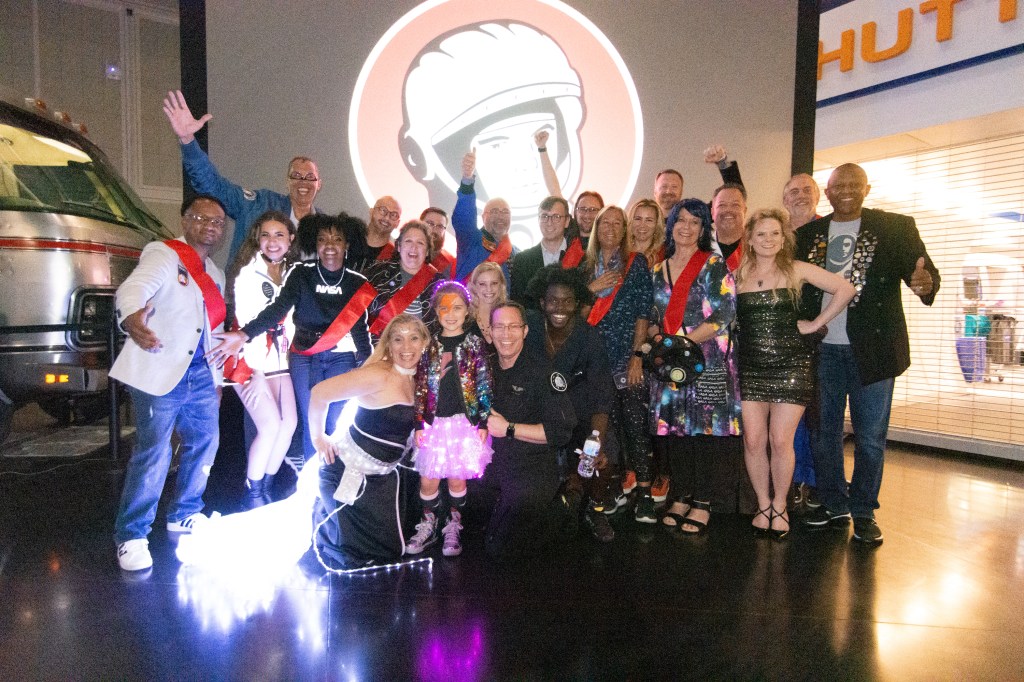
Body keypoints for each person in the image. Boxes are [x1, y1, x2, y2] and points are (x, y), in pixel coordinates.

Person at [797, 163, 940, 545]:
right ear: (826, 193)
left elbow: (924, 274)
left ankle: (862, 510)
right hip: (822, 350)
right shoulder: (808, 233)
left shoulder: (895, 228)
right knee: (823, 432)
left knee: (871, 437)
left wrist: (925, 284)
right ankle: (832, 502)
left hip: (873, 351)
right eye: (836, 185)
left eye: (852, 184)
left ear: (867, 188)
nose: (844, 190)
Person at [111, 195, 228, 571]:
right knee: (154, 453)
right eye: (201, 218)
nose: (210, 226)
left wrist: (218, 379)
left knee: (205, 442)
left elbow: (215, 330)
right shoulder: (163, 254)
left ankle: (185, 512)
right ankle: (131, 535)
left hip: (200, 375)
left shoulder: (216, 273)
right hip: (160, 369)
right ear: (184, 220)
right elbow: (133, 290)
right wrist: (132, 319)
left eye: (218, 222)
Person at [209, 213, 373, 463]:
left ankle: (332, 482)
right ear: (315, 244)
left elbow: (360, 330)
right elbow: (277, 309)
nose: (330, 246)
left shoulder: (357, 283)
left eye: (337, 239)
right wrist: (244, 334)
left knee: (336, 424)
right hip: (304, 359)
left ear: (347, 245)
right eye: (322, 239)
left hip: (341, 359)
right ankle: (312, 490)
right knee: (312, 423)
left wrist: (369, 364)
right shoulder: (300, 273)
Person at [735, 208, 855, 538]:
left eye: (775, 233)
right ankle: (764, 505)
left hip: (792, 366)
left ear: (784, 237)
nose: (768, 240)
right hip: (751, 367)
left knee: (780, 439)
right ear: (750, 239)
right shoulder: (738, 273)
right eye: (761, 234)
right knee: (754, 440)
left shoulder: (796, 269)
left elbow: (845, 289)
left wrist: (817, 323)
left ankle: (781, 505)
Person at [308, 314, 430, 570]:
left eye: (413, 339)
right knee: (368, 553)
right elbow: (319, 393)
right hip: (348, 473)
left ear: (424, 343)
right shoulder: (378, 374)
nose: (406, 348)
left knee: (395, 547)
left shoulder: (419, 376)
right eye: (398, 339)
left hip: (385, 477)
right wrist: (318, 437)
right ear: (388, 344)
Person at [649, 198, 740, 535]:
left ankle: (703, 501)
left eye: (694, 222)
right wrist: (662, 339)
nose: (686, 227)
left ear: (704, 229)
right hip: (671, 363)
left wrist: (682, 343)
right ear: (670, 226)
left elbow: (724, 312)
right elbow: (654, 316)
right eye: (680, 220)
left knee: (705, 432)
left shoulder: (713, 264)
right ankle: (682, 494)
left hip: (708, 359)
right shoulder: (658, 269)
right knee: (677, 432)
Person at [162, 90, 320, 259]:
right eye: (296, 176)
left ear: (319, 184)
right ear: (287, 182)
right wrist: (188, 141)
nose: (303, 182)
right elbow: (215, 188)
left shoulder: (324, 228)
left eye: (310, 177)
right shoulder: (259, 205)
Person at [524, 266, 617, 542]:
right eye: (553, 300)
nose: (559, 307)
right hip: (539, 417)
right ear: (542, 302)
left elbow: (602, 392)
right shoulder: (529, 329)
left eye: (567, 301)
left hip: (581, 416)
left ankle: (595, 508)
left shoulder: (589, 338)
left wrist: (596, 437)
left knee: (603, 457)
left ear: (577, 303)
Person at [482, 303, 576, 560]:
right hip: (492, 462)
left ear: (524, 331)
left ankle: (557, 509)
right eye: (499, 327)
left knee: (502, 551)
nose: (505, 334)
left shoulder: (543, 372)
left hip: (531, 466)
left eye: (513, 327)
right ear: (489, 332)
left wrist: (509, 429)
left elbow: (560, 432)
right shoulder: (483, 368)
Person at [405, 282, 493, 557]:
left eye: (457, 308)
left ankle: (453, 524)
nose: (450, 314)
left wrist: (483, 421)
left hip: (463, 425)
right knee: (428, 479)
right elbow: (420, 385)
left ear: (467, 310)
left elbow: (483, 383)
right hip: (433, 424)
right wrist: (420, 421)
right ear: (436, 311)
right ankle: (428, 522)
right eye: (444, 308)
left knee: (457, 480)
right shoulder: (428, 343)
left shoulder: (474, 343)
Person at [582, 206, 656, 522]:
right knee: (602, 430)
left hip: (626, 358)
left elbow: (643, 312)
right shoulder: (584, 266)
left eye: (617, 222)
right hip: (593, 360)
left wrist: (637, 357)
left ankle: (645, 493)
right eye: (605, 222)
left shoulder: (634, 262)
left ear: (624, 229)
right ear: (596, 228)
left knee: (635, 426)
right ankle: (607, 487)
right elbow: (573, 311)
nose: (611, 227)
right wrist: (591, 289)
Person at [225, 210, 299, 509]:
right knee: (268, 427)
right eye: (266, 235)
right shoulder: (247, 275)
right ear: (258, 238)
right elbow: (247, 324)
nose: (272, 241)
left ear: (290, 239)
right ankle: (252, 492)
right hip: (249, 364)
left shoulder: (294, 273)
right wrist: (254, 371)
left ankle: (265, 485)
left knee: (289, 423)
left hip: (280, 363)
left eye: (279, 234)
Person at [364, 221, 443, 342]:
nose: (414, 247)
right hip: (376, 349)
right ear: (399, 246)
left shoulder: (439, 284)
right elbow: (356, 311)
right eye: (408, 241)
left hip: (420, 354)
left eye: (420, 243)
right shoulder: (377, 272)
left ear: (427, 251)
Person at [451, 151, 520, 284]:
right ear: (483, 217)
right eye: (494, 211)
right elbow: (464, 219)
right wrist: (467, 181)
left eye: (505, 212)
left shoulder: (518, 254)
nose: (500, 216)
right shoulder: (471, 241)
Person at [509, 196, 585, 307]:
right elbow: (518, 304)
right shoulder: (522, 260)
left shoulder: (581, 258)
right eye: (544, 216)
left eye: (556, 217)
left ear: (567, 221)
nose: (549, 222)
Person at [533, 129, 604, 247]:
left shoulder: (607, 239)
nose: (587, 214)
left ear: (601, 213)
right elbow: (554, 190)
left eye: (593, 210)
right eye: (582, 209)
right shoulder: (569, 230)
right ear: (575, 212)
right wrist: (542, 148)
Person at [653, 145, 743, 217]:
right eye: (664, 186)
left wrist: (722, 162)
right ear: (655, 192)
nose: (668, 191)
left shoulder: (694, 216)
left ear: (681, 192)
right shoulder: (642, 221)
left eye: (674, 187)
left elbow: (736, 194)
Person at [348, 197, 402, 273]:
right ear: (371, 211)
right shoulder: (348, 239)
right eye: (383, 210)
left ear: (397, 223)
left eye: (393, 215)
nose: (387, 218)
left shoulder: (393, 258)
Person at [711, 182, 748, 271]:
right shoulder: (699, 249)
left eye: (735, 205)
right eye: (722, 205)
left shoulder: (757, 248)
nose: (728, 210)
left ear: (745, 211)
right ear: (712, 212)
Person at [467, 262, 507, 343]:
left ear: (501, 285)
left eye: (494, 283)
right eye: (482, 284)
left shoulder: (509, 316)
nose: (489, 289)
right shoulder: (465, 319)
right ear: (473, 286)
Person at [628, 198, 666, 267]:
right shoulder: (620, 252)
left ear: (657, 224)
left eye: (649, 220)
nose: (642, 225)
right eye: (638, 219)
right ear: (631, 222)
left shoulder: (665, 254)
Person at [421, 207, 456, 278]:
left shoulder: (450, 264)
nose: (434, 230)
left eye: (440, 226)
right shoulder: (402, 250)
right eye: (430, 223)